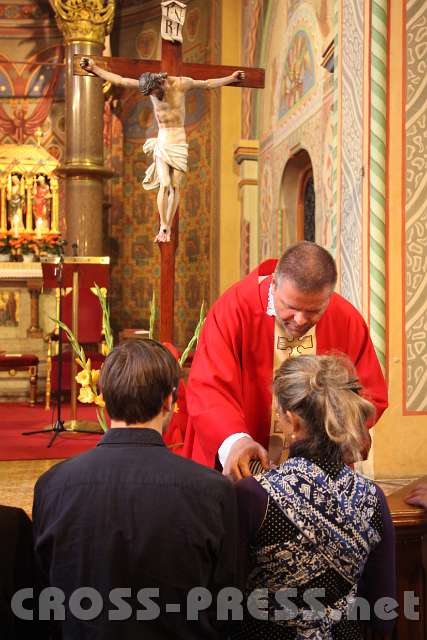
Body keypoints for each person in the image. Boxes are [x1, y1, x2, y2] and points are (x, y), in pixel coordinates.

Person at [33, 339, 239, 639]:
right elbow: (228, 603)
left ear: (101, 397)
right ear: (170, 400)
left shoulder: (53, 485)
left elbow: (44, 596)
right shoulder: (213, 491)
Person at [183, 241, 388, 477]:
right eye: (290, 307)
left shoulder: (345, 318)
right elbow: (208, 387)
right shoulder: (233, 310)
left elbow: (368, 392)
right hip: (245, 472)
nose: (300, 320)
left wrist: (347, 429)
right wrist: (234, 440)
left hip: (319, 475)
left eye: (313, 311)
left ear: (328, 297)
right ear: (274, 284)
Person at [233, 354, 396, 639]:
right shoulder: (372, 498)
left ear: (292, 421)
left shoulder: (255, 495)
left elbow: (225, 598)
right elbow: (383, 616)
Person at [80, 57, 245, 242]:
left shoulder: (182, 84)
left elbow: (207, 84)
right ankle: (163, 226)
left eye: (155, 92)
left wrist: (231, 78)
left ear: (160, 82)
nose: (154, 96)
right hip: (163, 139)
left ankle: (167, 227)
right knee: (164, 184)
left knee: (175, 185)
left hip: (179, 140)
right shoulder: (151, 90)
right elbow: (120, 80)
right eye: (150, 93)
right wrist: (94, 69)